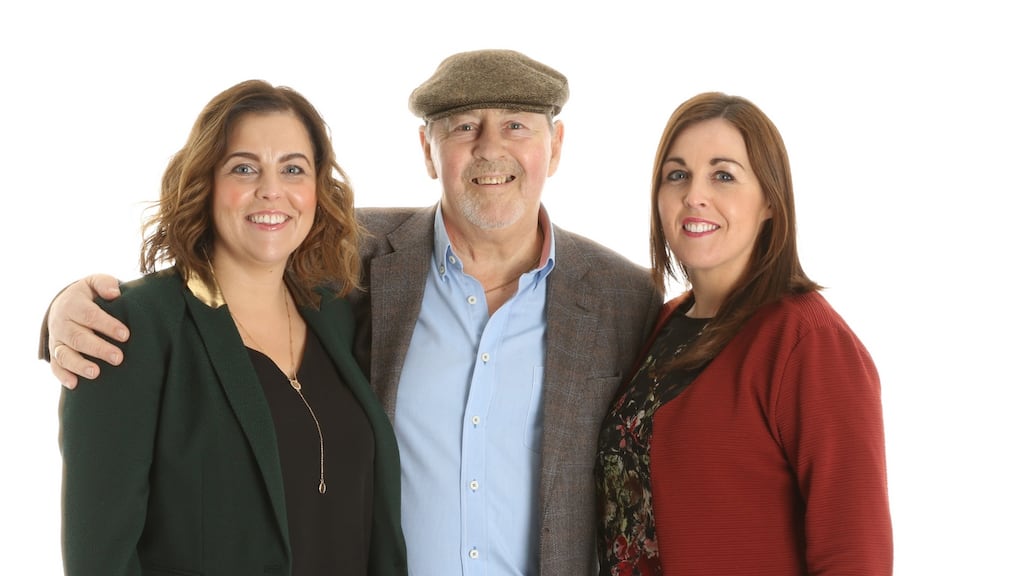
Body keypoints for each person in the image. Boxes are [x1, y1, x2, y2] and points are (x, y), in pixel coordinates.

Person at [41, 50, 664, 575]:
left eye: (518, 127)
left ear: (555, 146)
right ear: (428, 149)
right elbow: (228, 268)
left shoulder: (623, 297)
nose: (490, 149)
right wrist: (65, 309)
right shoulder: (358, 262)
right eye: (465, 127)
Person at [56, 79, 406, 575]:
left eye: (293, 169)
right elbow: (101, 558)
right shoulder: (132, 329)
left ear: (317, 190)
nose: (271, 190)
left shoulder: (340, 313)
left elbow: (442, 236)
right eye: (244, 167)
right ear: (206, 182)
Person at [594, 92, 893, 574]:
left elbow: (854, 553)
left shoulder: (809, 344)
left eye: (723, 175)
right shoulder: (664, 324)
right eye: (678, 175)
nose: (695, 194)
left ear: (770, 201)